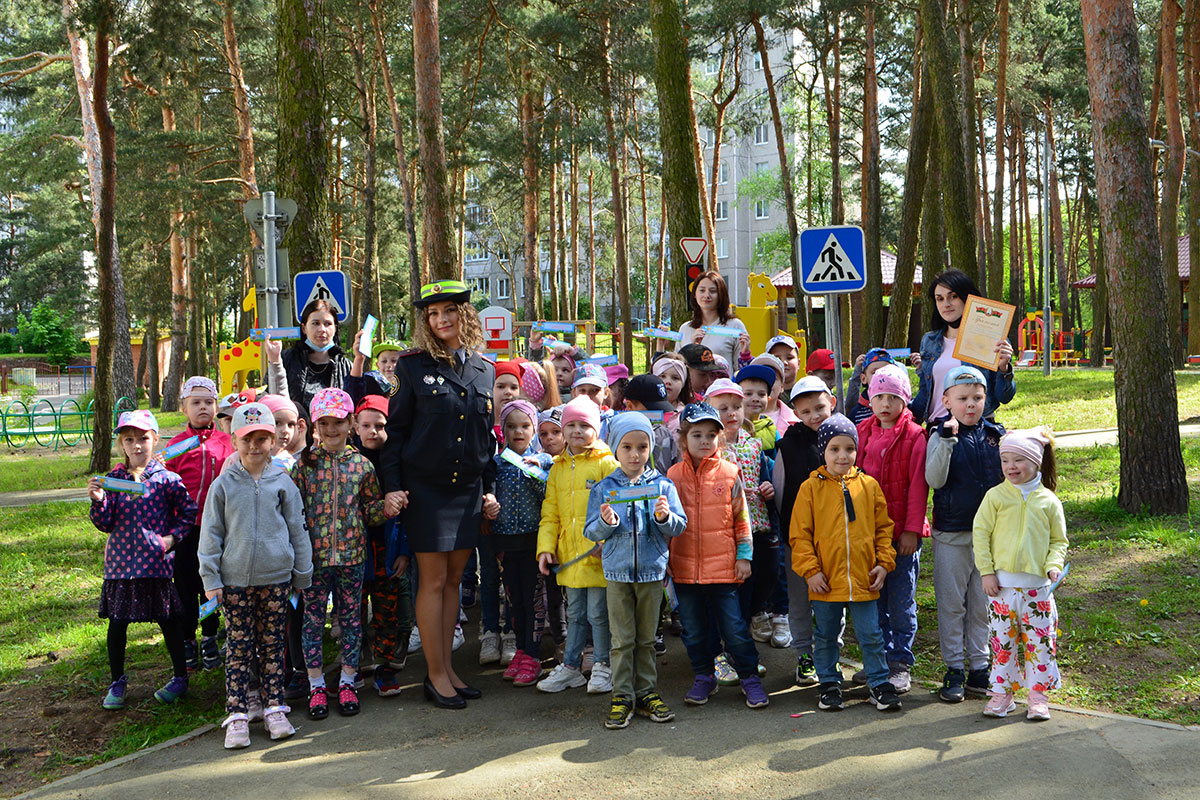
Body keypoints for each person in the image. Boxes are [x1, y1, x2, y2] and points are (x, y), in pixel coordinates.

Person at [379, 279, 499, 709]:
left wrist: (488, 490)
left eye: (448, 310)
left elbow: (487, 439)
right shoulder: (410, 368)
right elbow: (396, 436)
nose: (440, 319)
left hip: (466, 491)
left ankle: (448, 667)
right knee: (431, 581)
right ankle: (433, 675)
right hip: (426, 491)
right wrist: (394, 488)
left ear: (464, 314)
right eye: (432, 313)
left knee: (453, 581)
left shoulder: (485, 369)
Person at [198, 402, 313, 749]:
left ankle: (274, 707)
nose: (254, 447)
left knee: (273, 645)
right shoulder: (223, 485)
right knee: (239, 647)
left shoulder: (283, 482)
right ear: (235, 440)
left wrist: (302, 574)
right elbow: (211, 534)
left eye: (262, 438)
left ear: (274, 440)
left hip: (277, 579)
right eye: (247, 439)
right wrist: (211, 578)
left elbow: (298, 528)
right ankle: (237, 714)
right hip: (234, 582)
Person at [789, 414, 902, 713]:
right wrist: (811, 571)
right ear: (823, 451)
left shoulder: (869, 486)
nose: (843, 455)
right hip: (825, 580)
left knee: (872, 634)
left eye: (849, 448)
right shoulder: (810, 489)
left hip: (864, 578)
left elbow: (883, 529)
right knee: (825, 635)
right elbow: (800, 536)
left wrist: (884, 563)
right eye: (834, 449)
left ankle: (879, 683)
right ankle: (829, 682)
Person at [291, 388, 388, 719]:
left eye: (339, 423)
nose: (332, 430)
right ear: (315, 426)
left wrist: (387, 508)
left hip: (352, 558)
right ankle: (316, 685)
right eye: (325, 423)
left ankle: (348, 680)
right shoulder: (303, 466)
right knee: (312, 622)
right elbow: (292, 513)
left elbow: (371, 512)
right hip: (314, 562)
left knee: (351, 620)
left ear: (351, 423)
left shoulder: (361, 466)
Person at [90, 410, 197, 712]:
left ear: (155, 439)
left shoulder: (168, 480)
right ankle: (117, 681)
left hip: (156, 565)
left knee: (168, 621)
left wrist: (171, 540)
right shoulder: (112, 480)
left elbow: (188, 513)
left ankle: (180, 677)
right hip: (120, 567)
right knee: (118, 623)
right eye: (129, 440)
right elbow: (105, 522)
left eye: (143, 439)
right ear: (121, 444)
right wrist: (98, 501)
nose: (137, 445)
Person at [585, 412, 686, 729]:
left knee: (646, 640)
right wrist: (607, 522)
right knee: (622, 640)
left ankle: (646, 694)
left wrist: (662, 518)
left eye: (642, 447)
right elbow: (591, 531)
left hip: (652, 574)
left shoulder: (662, 485)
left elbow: (679, 525)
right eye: (626, 447)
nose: (634, 454)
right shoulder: (603, 489)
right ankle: (622, 696)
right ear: (615, 449)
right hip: (616, 574)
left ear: (650, 448)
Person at [667, 402, 770, 710]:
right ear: (683, 439)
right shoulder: (672, 476)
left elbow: (742, 518)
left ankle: (749, 677)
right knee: (695, 631)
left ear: (719, 439)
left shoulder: (729, 473)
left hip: (724, 569)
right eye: (696, 434)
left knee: (736, 630)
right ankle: (704, 676)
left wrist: (744, 556)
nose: (704, 441)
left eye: (711, 435)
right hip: (684, 570)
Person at [973, 428, 1066, 721]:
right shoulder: (995, 497)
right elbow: (981, 534)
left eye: (1019, 460)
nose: (1011, 467)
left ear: (1036, 462)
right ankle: (1003, 693)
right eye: (1005, 460)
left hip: (1038, 590)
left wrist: (1053, 565)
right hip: (1001, 589)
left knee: (1040, 643)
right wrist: (987, 572)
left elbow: (1058, 541)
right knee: (1002, 643)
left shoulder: (1049, 501)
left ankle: (1038, 697)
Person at [925, 365, 1006, 702]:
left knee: (981, 606)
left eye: (977, 397)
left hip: (990, 539)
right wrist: (945, 440)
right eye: (962, 398)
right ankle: (954, 668)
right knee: (952, 605)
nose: (970, 404)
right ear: (946, 400)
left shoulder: (996, 435)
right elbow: (934, 479)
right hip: (952, 534)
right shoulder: (939, 435)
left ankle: (980, 668)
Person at [852, 365, 930, 694]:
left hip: (901, 538)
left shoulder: (915, 436)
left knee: (900, 601)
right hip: (870, 536)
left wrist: (912, 530)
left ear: (905, 400)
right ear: (869, 398)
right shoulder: (862, 432)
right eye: (879, 396)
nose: (885, 403)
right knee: (875, 599)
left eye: (893, 397)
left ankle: (899, 662)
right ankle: (878, 660)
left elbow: (918, 487)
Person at [536, 396, 619, 694]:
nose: (576, 431)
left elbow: (618, 507)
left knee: (598, 614)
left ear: (596, 428)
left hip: (597, 556)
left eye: (584, 425)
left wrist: (606, 540)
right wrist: (546, 548)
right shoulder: (558, 468)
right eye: (570, 425)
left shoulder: (607, 464)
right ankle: (571, 666)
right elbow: (551, 513)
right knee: (574, 615)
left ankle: (602, 666)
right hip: (569, 555)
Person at [706, 379, 783, 649]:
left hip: (760, 525)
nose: (731, 413)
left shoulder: (753, 444)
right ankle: (734, 641)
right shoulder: (711, 449)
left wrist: (768, 487)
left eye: (736, 407)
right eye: (723, 408)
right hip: (728, 530)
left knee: (768, 574)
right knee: (739, 587)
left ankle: (748, 622)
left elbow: (765, 476)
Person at [162, 376, 233, 672]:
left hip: (216, 530)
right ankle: (187, 637)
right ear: (184, 409)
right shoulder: (177, 446)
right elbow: (162, 481)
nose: (202, 407)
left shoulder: (227, 443)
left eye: (208, 402)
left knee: (211, 586)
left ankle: (209, 635)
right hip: (184, 530)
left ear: (215, 407)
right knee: (185, 587)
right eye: (196, 403)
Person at [772, 376, 837, 687]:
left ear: (832, 404)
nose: (815, 416)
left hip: (838, 539)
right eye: (806, 411)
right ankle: (804, 654)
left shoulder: (843, 437)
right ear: (796, 413)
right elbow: (782, 491)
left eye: (820, 408)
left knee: (834, 598)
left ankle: (831, 652)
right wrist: (789, 534)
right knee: (799, 600)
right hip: (798, 538)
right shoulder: (788, 444)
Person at [353, 395, 414, 698]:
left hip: (387, 548)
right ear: (355, 425)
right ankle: (354, 664)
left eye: (380, 425)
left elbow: (406, 509)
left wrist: (403, 550)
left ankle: (386, 666)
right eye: (366, 425)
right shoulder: (349, 460)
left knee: (387, 608)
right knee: (352, 609)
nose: (372, 432)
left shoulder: (399, 461)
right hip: (354, 549)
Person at [492, 400, 555, 687]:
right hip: (506, 542)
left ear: (534, 429)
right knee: (513, 599)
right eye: (511, 426)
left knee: (533, 600)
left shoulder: (544, 461)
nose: (519, 432)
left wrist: (539, 467)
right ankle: (520, 649)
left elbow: (552, 496)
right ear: (502, 430)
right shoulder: (496, 464)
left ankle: (533, 654)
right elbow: (488, 495)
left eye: (525, 426)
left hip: (534, 543)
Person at [910, 268, 1015, 425]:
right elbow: (926, 393)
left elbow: (1004, 397)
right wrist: (904, 422)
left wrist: (1003, 369)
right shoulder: (929, 341)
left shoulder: (992, 338)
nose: (946, 304)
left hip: (977, 432)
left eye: (953, 296)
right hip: (936, 431)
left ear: (967, 298)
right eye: (940, 298)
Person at [267, 299, 354, 412]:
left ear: (335, 328)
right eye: (315, 323)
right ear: (304, 328)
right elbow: (271, 398)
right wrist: (274, 359)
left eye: (328, 324)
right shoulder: (286, 359)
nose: (322, 329)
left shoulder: (345, 366)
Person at [671, 271, 751, 368]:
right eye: (702, 290)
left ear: (721, 294)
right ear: (695, 294)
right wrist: (693, 348)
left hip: (724, 383)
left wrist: (745, 354)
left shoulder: (735, 326)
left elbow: (740, 369)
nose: (707, 295)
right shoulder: (685, 328)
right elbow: (678, 369)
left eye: (713, 291)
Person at [621, 373, 679, 471]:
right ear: (630, 406)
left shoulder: (664, 434)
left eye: (661, 410)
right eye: (651, 410)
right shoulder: (619, 435)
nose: (658, 415)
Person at [344, 337, 406, 407]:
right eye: (384, 361)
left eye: (394, 361)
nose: (389, 365)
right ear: (377, 365)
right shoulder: (371, 382)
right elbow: (353, 393)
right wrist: (359, 358)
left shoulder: (410, 385)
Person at [735, 363, 780, 458]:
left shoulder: (771, 429)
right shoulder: (732, 427)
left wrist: (767, 462)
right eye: (748, 394)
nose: (755, 399)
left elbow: (779, 464)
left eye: (761, 394)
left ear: (768, 398)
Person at [845, 348, 900, 425]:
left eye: (886, 371)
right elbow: (850, 403)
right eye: (875, 372)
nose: (881, 376)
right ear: (864, 378)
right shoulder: (857, 413)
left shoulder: (900, 403)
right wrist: (857, 370)